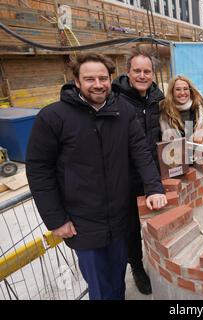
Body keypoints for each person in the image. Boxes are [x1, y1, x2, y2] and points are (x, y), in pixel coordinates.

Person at [26, 53, 167, 300]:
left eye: (103, 78)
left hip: (119, 218)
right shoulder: (53, 117)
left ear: (111, 79)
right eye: (89, 78)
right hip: (83, 222)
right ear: (77, 81)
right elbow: (39, 170)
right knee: (100, 287)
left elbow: (141, 152)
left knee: (117, 279)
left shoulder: (122, 111)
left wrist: (154, 187)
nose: (98, 84)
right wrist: (56, 218)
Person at [112, 47, 164, 295]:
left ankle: (159, 261)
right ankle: (137, 267)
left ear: (153, 74)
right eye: (137, 71)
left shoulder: (156, 99)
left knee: (158, 219)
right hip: (125, 176)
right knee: (131, 227)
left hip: (152, 172)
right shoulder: (115, 99)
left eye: (147, 71)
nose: (142, 75)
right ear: (128, 72)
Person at [159, 75, 203, 144]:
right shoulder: (165, 111)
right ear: (172, 92)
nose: (182, 93)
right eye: (178, 89)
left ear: (190, 91)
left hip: (199, 152)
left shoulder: (198, 108)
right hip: (174, 152)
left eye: (185, 89)